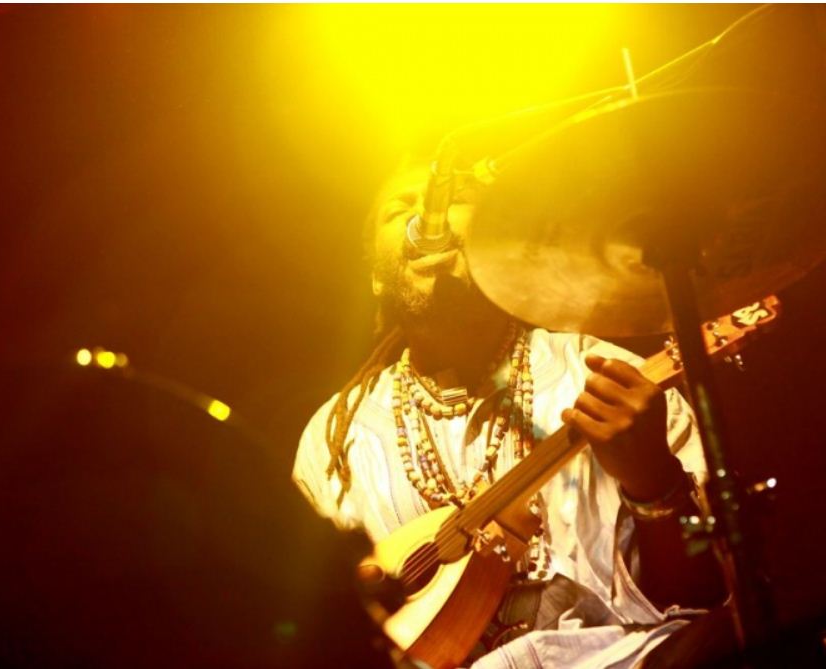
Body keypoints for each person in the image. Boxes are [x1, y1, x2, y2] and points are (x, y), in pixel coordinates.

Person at [293, 167, 725, 668]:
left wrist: (654, 483)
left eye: (456, 197)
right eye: (399, 209)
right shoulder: (334, 443)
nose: (427, 213)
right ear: (375, 276)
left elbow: (707, 598)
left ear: (495, 246)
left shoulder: (605, 376)